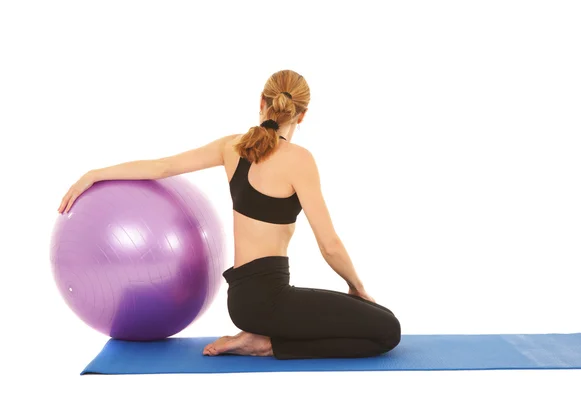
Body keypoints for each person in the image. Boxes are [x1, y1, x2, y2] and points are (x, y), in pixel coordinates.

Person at [58, 70, 401, 359]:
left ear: (262, 103)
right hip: (270, 302)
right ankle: (266, 345)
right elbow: (329, 244)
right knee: (387, 331)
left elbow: (162, 167)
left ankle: (256, 336)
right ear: (302, 114)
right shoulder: (300, 160)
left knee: (379, 319)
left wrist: (94, 173)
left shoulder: (232, 148)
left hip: (244, 301)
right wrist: (356, 287)